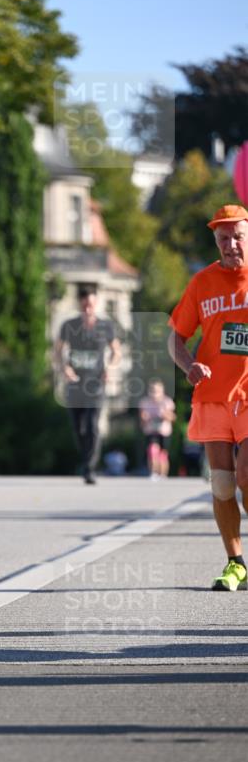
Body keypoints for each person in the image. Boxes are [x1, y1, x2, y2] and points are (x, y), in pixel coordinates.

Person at [168, 203, 248, 590]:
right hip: (213, 396)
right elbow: (176, 338)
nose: (231, 244)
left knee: (247, 476)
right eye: (223, 238)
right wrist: (189, 367)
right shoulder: (202, 283)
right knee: (222, 484)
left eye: (238, 237)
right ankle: (236, 564)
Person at [55, 286, 121, 484]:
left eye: (91, 304)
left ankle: (90, 468)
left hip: (96, 384)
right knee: (78, 429)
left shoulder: (106, 326)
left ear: (96, 303)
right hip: (75, 383)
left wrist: (110, 367)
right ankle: (86, 459)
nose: (88, 308)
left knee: (92, 425)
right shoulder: (69, 325)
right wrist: (64, 368)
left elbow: (116, 351)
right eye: (84, 305)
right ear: (79, 304)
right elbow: (57, 350)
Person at [139, 378, 176, 479]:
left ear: (162, 391)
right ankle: (153, 473)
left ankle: (163, 474)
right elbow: (142, 420)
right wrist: (144, 418)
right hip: (151, 431)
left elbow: (173, 418)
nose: (154, 393)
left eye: (157, 391)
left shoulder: (167, 402)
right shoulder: (145, 402)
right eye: (152, 390)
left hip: (164, 432)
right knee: (152, 451)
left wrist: (165, 415)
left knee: (162, 455)